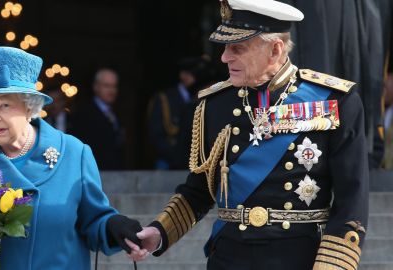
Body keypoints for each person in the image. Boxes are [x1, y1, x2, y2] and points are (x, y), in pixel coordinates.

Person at [129, 0, 369, 269]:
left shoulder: (334, 101)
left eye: (237, 49)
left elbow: (352, 200)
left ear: (275, 49)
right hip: (228, 258)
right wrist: (159, 232)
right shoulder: (214, 105)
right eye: (225, 48)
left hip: (298, 258)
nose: (224, 57)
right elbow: (198, 191)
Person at [0, 47, 145, 270]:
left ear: (29, 107)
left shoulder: (74, 153)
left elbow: (93, 222)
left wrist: (111, 225)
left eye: (4, 105)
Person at [148, 57, 212, 169]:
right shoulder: (165, 99)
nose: (197, 79)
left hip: (197, 163)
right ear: (183, 75)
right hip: (169, 161)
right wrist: (177, 157)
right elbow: (156, 135)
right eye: (194, 75)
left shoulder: (202, 98)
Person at [68, 68, 126, 170]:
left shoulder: (116, 113)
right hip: (94, 173)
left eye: (114, 86)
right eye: (106, 86)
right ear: (96, 87)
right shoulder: (84, 114)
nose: (111, 90)